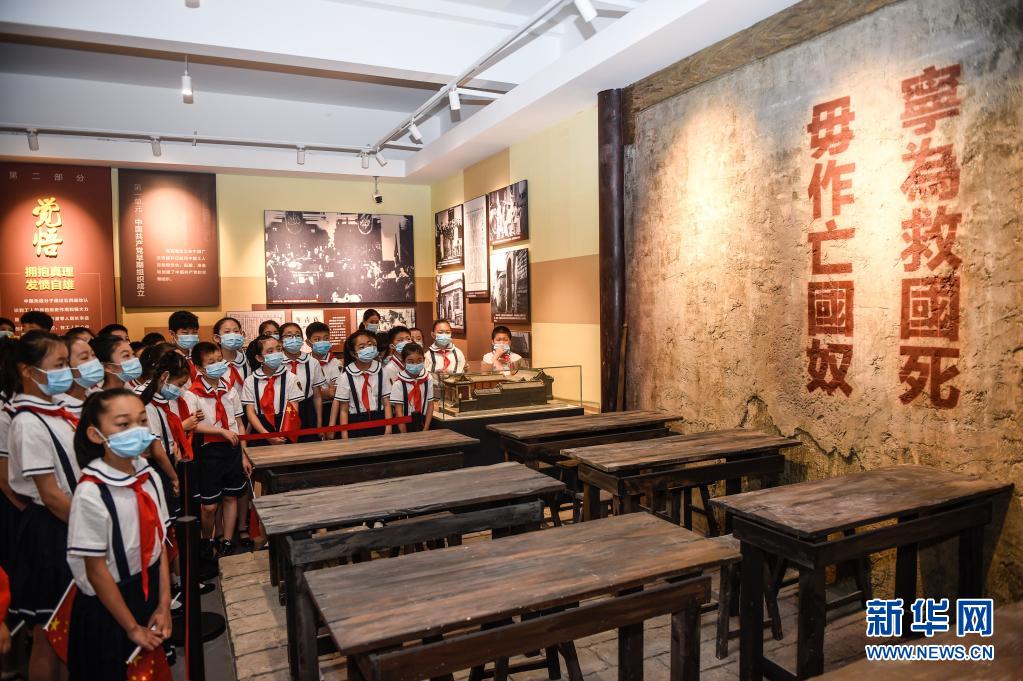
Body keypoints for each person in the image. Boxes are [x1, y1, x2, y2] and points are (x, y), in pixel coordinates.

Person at [66, 389, 171, 680]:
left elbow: (160, 544)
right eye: (123, 424)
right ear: (96, 434)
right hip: (110, 606)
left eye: (142, 421)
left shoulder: (148, 475)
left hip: (149, 593)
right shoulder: (91, 492)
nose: (137, 430)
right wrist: (132, 628)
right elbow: (96, 569)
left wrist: (163, 604)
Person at [3, 331, 78, 681]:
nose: (67, 372)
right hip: (53, 527)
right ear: (28, 370)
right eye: (59, 364)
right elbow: (49, 493)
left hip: (68, 518)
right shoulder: (27, 422)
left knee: (71, 632)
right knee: (50, 632)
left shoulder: (55, 412)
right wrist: (92, 526)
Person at [184, 342, 251, 558]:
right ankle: (208, 541)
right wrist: (220, 431)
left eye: (219, 360)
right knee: (210, 506)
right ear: (199, 368)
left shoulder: (229, 389)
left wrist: (244, 454)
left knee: (231, 497)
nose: (218, 365)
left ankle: (228, 541)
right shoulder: (192, 394)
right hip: (208, 452)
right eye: (211, 362)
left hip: (232, 449)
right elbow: (193, 425)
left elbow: (239, 424)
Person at [242, 335, 303, 446]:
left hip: (285, 426)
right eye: (270, 351)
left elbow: (294, 409)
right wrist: (266, 435)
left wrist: (284, 433)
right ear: (259, 358)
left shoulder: (291, 378)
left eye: (279, 349)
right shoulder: (250, 381)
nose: (276, 353)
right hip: (260, 429)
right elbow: (250, 413)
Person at [330, 330, 388, 439]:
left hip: (379, 419)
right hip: (355, 422)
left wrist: (388, 429)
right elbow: (343, 410)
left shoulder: (382, 371)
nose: (367, 349)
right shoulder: (346, 376)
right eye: (362, 347)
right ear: (353, 353)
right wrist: (345, 436)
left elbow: (387, 403)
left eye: (369, 345)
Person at [278, 323, 325, 438]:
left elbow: (317, 396)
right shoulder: (276, 362)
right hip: (282, 410)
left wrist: (319, 424)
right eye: (289, 335)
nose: (294, 338)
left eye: (297, 335)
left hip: (306, 410)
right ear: (280, 340)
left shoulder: (312, 362)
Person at [385, 343, 434, 433]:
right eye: (411, 362)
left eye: (419, 360)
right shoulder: (399, 383)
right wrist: (404, 433)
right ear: (404, 362)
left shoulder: (428, 379)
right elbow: (398, 411)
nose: (415, 364)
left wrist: (426, 427)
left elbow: (430, 404)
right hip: (404, 423)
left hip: (423, 421)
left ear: (424, 360)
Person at [306, 322, 339, 402]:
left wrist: (311, 392)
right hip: (308, 405)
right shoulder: (304, 362)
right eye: (317, 339)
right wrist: (323, 392)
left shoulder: (335, 363)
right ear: (308, 342)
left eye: (326, 338)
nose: (323, 342)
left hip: (329, 405)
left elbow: (334, 393)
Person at [213, 316, 248, 392]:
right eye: (227, 332)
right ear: (217, 338)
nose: (233, 335)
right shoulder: (211, 364)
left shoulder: (249, 361)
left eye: (236, 331)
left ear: (242, 335)